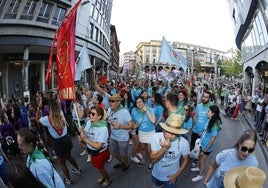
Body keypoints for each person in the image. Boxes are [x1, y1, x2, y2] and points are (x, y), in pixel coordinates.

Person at [36, 100, 82, 185]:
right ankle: (78, 169)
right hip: (66, 138)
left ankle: (68, 179)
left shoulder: (47, 119)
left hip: (57, 142)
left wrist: (39, 108)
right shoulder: (61, 113)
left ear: (50, 109)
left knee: (62, 162)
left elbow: (37, 120)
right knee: (69, 156)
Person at [150, 113, 190, 188]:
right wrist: (164, 148)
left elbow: (186, 160)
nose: (169, 135)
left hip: (172, 177)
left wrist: (176, 175)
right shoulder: (156, 137)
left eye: (174, 133)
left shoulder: (184, 143)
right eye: (168, 131)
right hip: (156, 174)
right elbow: (153, 159)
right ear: (164, 128)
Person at [80, 106, 112, 187]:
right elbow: (86, 132)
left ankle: (108, 179)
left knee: (99, 168)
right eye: (90, 113)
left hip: (100, 153)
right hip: (91, 150)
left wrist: (86, 140)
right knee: (99, 167)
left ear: (99, 116)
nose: (90, 115)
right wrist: (82, 131)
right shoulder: (89, 122)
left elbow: (98, 146)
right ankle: (102, 176)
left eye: (93, 114)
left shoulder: (103, 128)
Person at [191, 105, 222, 182]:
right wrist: (200, 134)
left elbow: (212, 141)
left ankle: (200, 175)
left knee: (202, 160)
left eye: (208, 111)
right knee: (199, 158)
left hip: (207, 147)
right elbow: (206, 131)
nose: (206, 112)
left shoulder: (215, 126)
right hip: (202, 143)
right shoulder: (210, 119)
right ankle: (198, 167)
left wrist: (204, 151)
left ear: (213, 114)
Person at [106, 94, 134, 171]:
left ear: (118, 102)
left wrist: (121, 126)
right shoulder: (109, 110)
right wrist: (106, 120)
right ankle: (120, 162)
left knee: (123, 154)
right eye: (110, 101)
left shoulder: (125, 112)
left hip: (123, 138)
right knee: (115, 153)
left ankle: (126, 163)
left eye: (112, 101)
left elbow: (131, 125)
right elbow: (108, 119)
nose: (110, 103)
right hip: (113, 136)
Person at [131, 96, 156, 171]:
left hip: (151, 132)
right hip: (141, 132)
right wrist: (131, 127)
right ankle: (144, 160)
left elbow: (153, 121)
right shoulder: (134, 111)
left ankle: (151, 162)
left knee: (150, 150)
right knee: (143, 148)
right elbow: (136, 123)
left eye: (140, 102)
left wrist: (147, 111)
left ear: (144, 102)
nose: (139, 103)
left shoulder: (150, 109)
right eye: (137, 102)